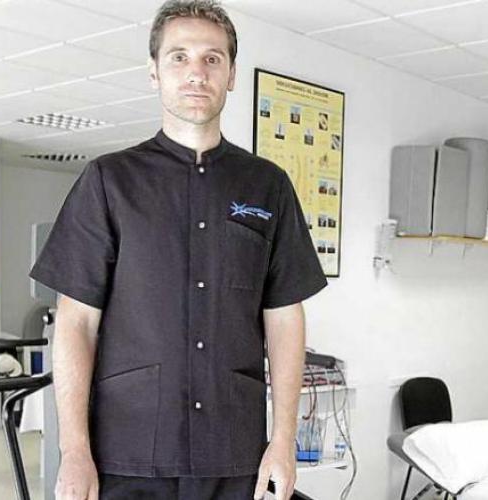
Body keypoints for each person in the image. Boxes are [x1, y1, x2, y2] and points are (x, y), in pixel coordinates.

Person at [29, 1, 327, 499]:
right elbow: (76, 322)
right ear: (154, 72)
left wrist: (283, 440)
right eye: (179, 57)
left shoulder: (268, 186)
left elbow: (284, 318)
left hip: (234, 452)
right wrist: (74, 449)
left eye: (212, 59)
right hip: (128, 452)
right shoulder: (108, 182)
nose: (196, 73)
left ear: (232, 75)